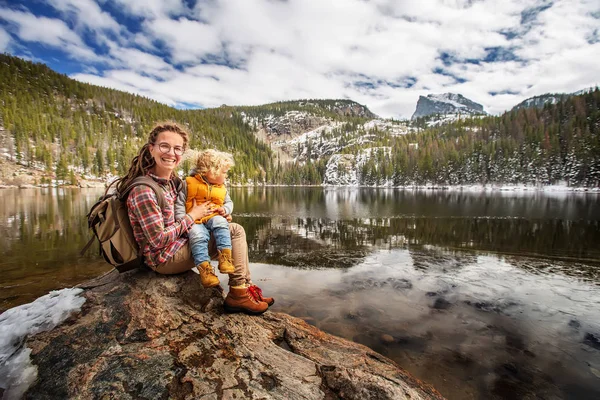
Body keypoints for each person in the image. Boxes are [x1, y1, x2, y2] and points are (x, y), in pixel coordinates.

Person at [116, 121, 273, 315]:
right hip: (164, 257)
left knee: (230, 229)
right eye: (164, 146)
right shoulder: (144, 191)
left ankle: (245, 287)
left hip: (179, 243)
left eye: (177, 148)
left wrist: (220, 213)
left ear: (182, 153)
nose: (171, 153)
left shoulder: (172, 183)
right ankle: (238, 294)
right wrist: (192, 217)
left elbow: (195, 196)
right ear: (152, 149)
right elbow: (157, 240)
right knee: (235, 233)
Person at [175, 149, 235, 288]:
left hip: (213, 216)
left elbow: (229, 203)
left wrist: (225, 210)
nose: (226, 175)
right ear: (211, 171)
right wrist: (183, 221)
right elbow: (179, 205)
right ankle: (205, 270)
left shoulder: (222, 188)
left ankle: (225, 258)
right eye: (224, 172)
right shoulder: (188, 184)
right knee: (198, 235)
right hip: (193, 220)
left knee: (221, 222)